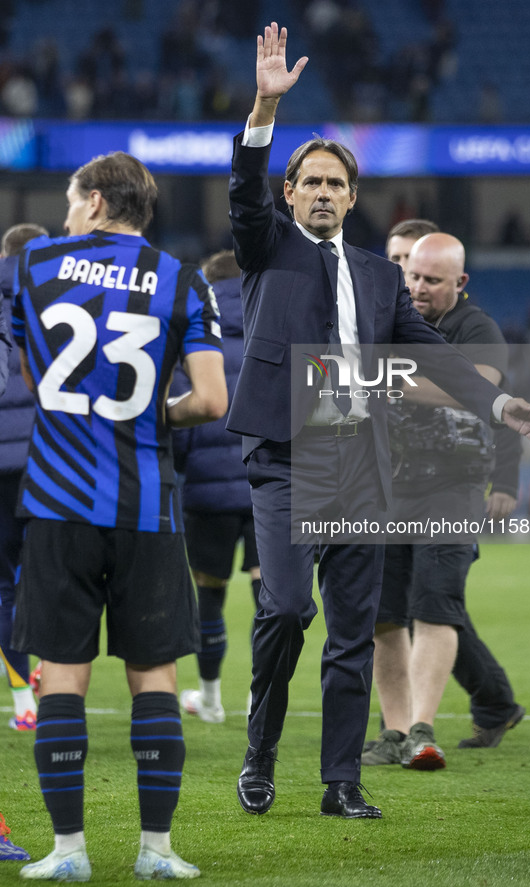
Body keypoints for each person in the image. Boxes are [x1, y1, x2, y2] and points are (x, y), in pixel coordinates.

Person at [227, 22, 530, 820]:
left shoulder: (379, 279)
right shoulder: (266, 244)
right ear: (291, 193)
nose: (325, 193)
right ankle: (259, 750)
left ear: (354, 197)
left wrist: (501, 402)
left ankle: (342, 781)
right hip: (284, 457)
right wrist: (266, 104)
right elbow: (242, 187)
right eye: (312, 183)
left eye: (338, 184)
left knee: (351, 632)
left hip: (362, 469)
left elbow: (431, 357)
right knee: (287, 610)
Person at [10, 151, 227, 881]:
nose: (69, 213)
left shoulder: (34, 263)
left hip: (56, 502)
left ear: (97, 202)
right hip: (147, 507)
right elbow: (210, 402)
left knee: (61, 675)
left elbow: (34, 377)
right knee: (154, 675)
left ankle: (67, 852)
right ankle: (157, 850)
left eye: (74, 200)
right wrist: (146, 413)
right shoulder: (183, 279)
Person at [362, 220, 525, 766]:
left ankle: (422, 731)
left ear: (461, 282)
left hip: (452, 486)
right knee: (386, 615)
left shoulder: (478, 328)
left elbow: (479, 389)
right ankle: (395, 731)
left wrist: (504, 482)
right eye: (412, 275)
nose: (420, 287)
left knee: (435, 605)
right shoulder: (380, 319)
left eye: (433, 278)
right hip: (386, 486)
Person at [173, 249, 260, 724]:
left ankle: (209, 699)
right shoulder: (275, 331)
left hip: (207, 492)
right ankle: (259, 700)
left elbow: (181, 417)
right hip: (270, 488)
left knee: (210, 595)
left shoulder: (195, 336)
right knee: (269, 597)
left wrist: (187, 467)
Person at [0, 224, 48, 734]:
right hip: (48, 458)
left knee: (3, 585)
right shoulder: (58, 293)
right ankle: (52, 682)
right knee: (56, 575)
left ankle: (21, 702)